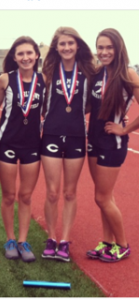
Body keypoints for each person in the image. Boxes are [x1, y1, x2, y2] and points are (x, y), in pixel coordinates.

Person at [40, 27, 95, 262]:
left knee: (70, 192)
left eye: (70, 43)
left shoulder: (88, 72)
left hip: (75, 136)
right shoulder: (49, 71)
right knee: (52, 192)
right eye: (62, 44)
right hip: (51, 134)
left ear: (78, 45)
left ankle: (64, 241)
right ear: (56, 47)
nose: (66, 48)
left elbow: (94, 103)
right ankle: (51, 238)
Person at [87, 28, 139, 262]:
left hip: (113, 142)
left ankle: (123, 245)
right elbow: (91, 106)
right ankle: (107, 242)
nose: (104, 51)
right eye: (100, 47)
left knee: (102, 198)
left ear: (118, 48)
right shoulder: (97, 73)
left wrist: (124, 128)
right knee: (103, 196)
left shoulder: (128, 74)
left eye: (109, 47)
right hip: (94, 139)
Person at [0, 36, 45, 262]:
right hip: (8, 143)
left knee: (25, 195)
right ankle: (10, 239)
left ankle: (23, 241)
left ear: (36, 56)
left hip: (33, 144)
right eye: (20, 54)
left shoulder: (44, 80)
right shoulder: (5, 79)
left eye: (29, 53)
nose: (25, 57)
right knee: (8, 195)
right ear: (14, 57)